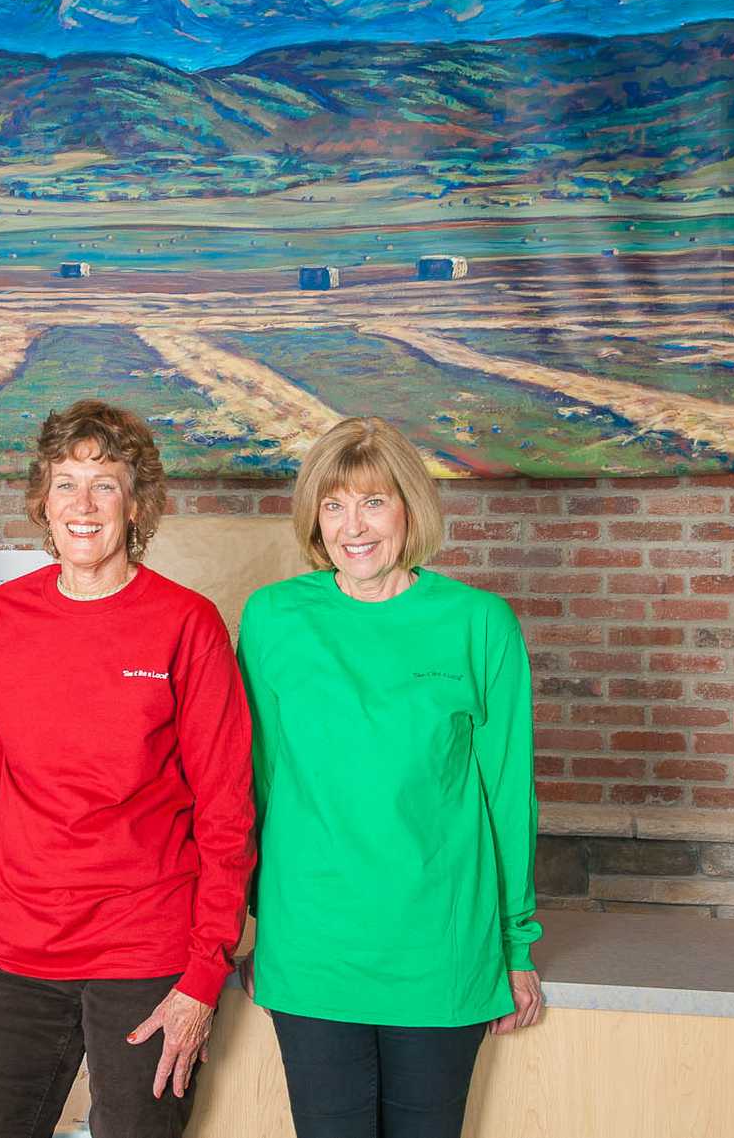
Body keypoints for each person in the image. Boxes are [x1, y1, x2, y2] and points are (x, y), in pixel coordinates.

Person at [0, 399, 254, 1138]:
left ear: (138, 503)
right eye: (66, 482)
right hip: (23, 946)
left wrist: (202, 973)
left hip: (146, 952)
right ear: (42, 500)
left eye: (105, 483)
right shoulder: (6, 616)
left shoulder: (186, 624)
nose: (84, 504)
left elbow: (227, 808)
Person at [237, 416, 543, 1138]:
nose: (354, 525)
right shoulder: (274, 619)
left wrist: (516, 945)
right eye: (335, 503)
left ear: (410, 506)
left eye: (373, 501)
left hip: (441, 949)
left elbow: (507, 793)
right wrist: (258, 926)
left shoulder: (479, 623)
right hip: (313, 949)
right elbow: (256, 786)